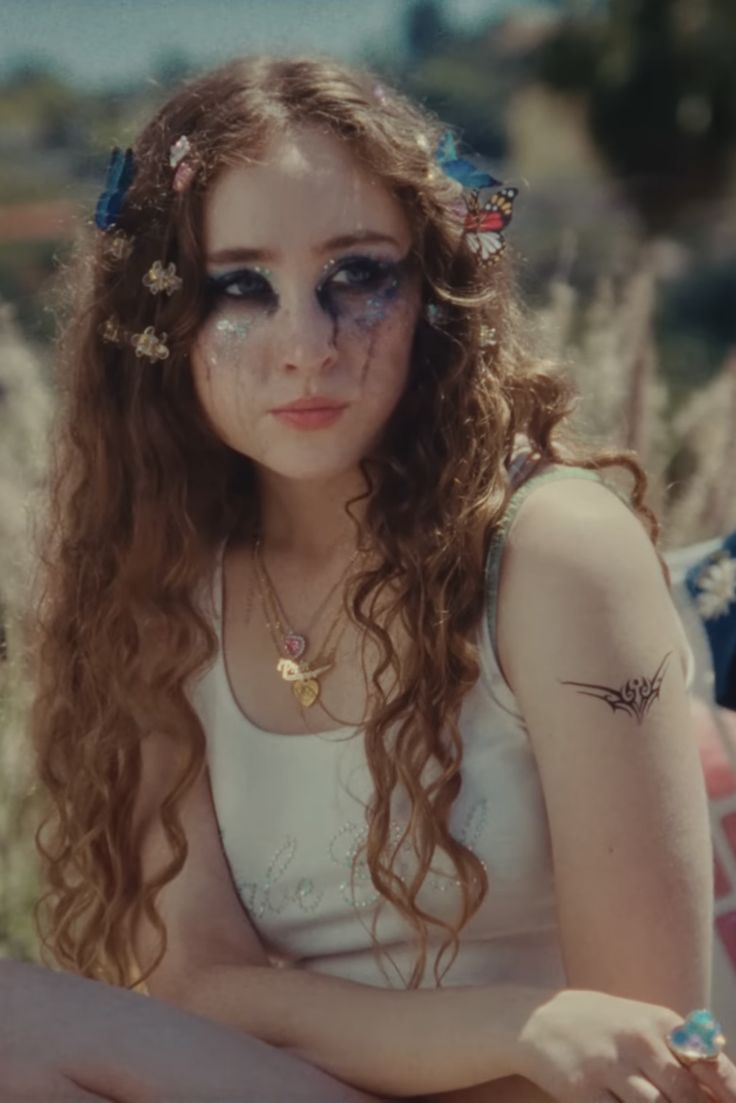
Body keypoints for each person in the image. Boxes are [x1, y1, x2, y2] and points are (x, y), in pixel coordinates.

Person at [6, 54, 736, 1103]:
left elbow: (643, 1047)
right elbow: (191, 981)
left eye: (358, 275)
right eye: (238, 285)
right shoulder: (157, 579)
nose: (306, 345)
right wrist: (516, 1024)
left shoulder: (552, 553)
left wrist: (287, 1022)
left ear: (433, 292)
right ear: (162, 323)